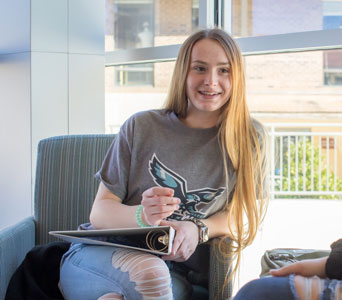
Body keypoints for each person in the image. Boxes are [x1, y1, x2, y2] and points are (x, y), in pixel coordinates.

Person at [58, 28, 267, 300]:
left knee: (141, 284)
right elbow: (99, 213)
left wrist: (198, 228)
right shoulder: (141, 126)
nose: (211, 81)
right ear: (183, 73)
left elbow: (245, 215)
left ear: (236, 75)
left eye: (224, 70)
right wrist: (142, 216)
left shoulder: (249, 137)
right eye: (200, 68)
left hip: (173, 275)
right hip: (97, 255)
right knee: (148, 275)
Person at [233, 24, 342, 300]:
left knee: (259, 293)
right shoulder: (141, 127)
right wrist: (330, 265)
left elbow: (237, 218)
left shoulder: (251, 135)